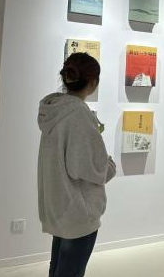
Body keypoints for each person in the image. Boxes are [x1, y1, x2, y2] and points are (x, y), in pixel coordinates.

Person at [38, 53, 116, 277]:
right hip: (77, 212)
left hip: (58, 206)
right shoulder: (79, 114)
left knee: (58, 269)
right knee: (70, 272)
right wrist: (109, 165)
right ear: (93, 82)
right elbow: (89, 168)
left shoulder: (54, 110)